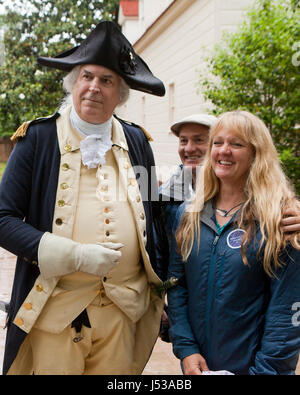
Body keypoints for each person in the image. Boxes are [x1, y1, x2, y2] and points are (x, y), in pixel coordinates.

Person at [0, 21, 166, 375]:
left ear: (120, 92)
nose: (94, 87)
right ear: (73, 82)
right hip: (56, 311)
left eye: (106, 80)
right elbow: (2, 219)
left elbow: (158, 212)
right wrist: (73, 255)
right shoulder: (38, 139)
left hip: (124, 311)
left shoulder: (138, 142)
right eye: (87, 76)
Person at [167, 110, 300, 375]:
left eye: (236, 144)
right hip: (198, 368)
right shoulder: (187, 214)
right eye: (218, 142)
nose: (224, 151)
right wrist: (187, 350)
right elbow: (177, 287)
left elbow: (287, 313)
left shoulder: (282, 219)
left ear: (256, 154)